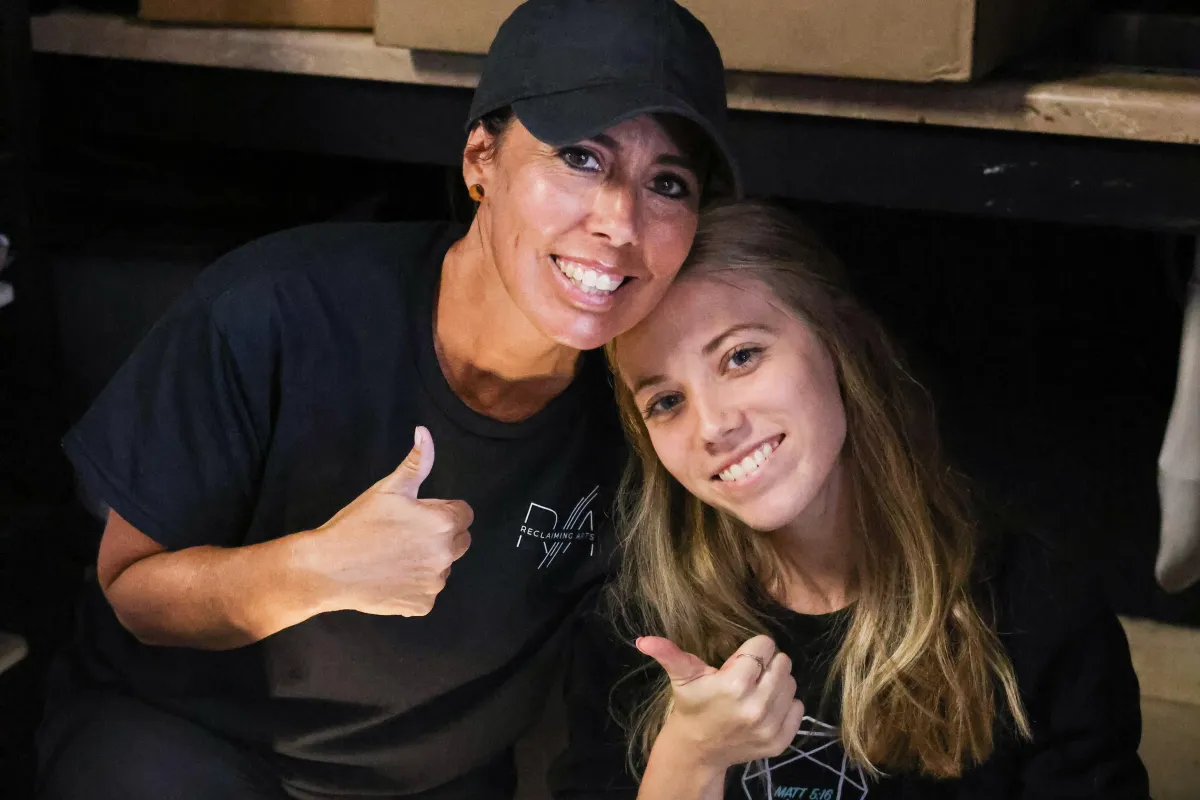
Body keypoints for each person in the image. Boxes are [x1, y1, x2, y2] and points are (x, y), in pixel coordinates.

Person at [35, 2, 740, 798]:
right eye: (579, 157)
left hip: (429, 781)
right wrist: (318, 571)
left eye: (668, 183)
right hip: (182, 743)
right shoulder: (276, 309)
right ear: (482, 158)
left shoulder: (654, 411)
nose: (619, 219)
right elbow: (134, 595)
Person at [550, 201, 1150, 799]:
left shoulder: (1037, 610)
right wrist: (689, 758)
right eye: (666, 401)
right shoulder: (631, 625)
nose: (712, 426)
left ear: (838, 345)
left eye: (741, 356)